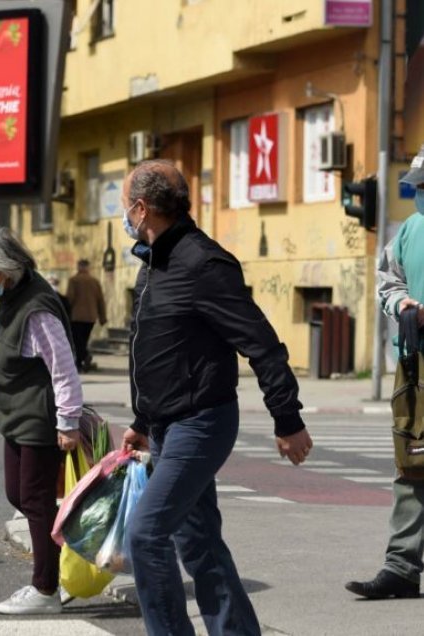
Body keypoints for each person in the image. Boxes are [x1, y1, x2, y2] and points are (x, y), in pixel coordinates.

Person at [118, 160, 313, 635]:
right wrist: (142, 420)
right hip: (165, 425)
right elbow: (158, 350)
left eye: (126, 206)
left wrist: (286, 419)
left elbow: (261, 343)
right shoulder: (153, 261)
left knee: (145, 535)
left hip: (200, 423)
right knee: (199, 541)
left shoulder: (202, 263)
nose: (124, 215)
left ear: (142, 208)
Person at [0, 228, 83, 616]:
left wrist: (68, 421)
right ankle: (58, 564)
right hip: (17, 418)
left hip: (40, 421)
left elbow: (63, 369)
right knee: (20, 495)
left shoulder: (37, 308)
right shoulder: (12, 296)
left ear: (2, 272)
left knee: (35, 500)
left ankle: (46, 589)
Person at [345, 143, 424, 600]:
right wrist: (403, 303)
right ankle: (401, 567)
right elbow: (387, 280)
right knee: (413, 463)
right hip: (416, 361)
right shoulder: (410, 230)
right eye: (418, 188)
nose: (420, 196)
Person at [65, 259, 107, 372]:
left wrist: (64, 313)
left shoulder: (73, 280)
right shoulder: (95, 281)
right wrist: (102, 317)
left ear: (78, 267)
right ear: (88, 268)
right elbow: (100, 300)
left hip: (76, 317)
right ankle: (80, 363)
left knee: (77, 341)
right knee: (83, 340)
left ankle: (84, 357)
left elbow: (70, 299)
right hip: (91, 317)